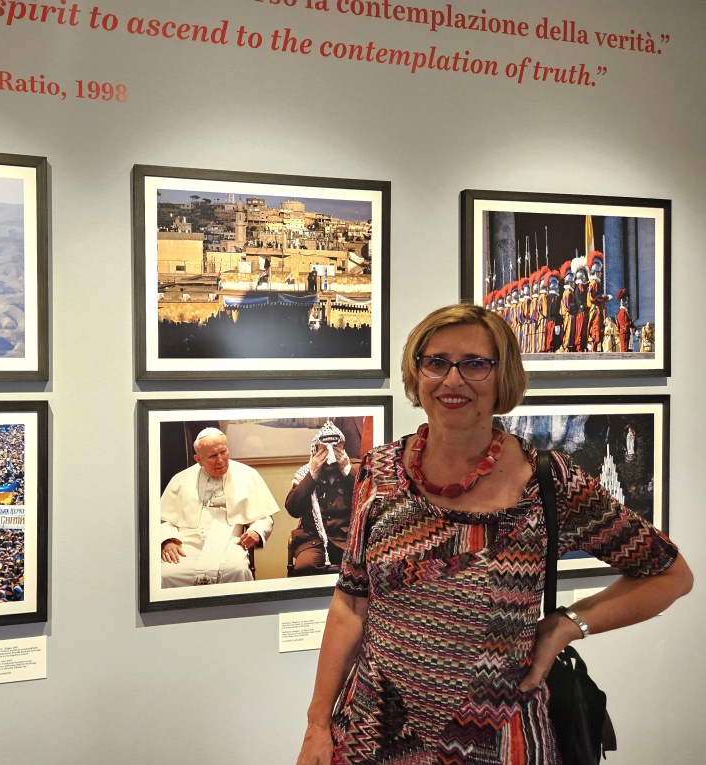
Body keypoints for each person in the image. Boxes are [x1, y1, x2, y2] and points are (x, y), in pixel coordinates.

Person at [296, 303, 692, 765]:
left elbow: (671, 575)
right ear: (416, 372)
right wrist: (317, 726)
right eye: (436, 362)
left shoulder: (548, 482)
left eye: (475, 364)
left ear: (503, 376)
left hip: (501, 742)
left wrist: (567, 626)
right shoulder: (379, 473)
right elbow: (350, 603)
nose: (452, 380)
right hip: (372, 734)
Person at [160, 427, 278, 587]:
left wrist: (256, 531)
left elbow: (264, 517)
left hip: (230, 540)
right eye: (213, 456)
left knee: (237, 570)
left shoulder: (247, 475)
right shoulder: (180, 479)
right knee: (167, 574)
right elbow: (164, 519)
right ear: (198, 459)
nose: (220, 460)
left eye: (223, 452)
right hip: (186, 543)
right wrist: (168, 541)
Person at [285, 421, 355, 575]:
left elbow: (367, 499)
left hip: (345, 540)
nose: (330, 455)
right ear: (315, 450)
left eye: (335, 448)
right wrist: (312, 475)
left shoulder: (353, 472)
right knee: (305, 567)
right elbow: (293, 509)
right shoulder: (305, 473)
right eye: (324, 449)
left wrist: (347, 471)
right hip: (312, 540)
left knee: (357, 568)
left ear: (343, 449)